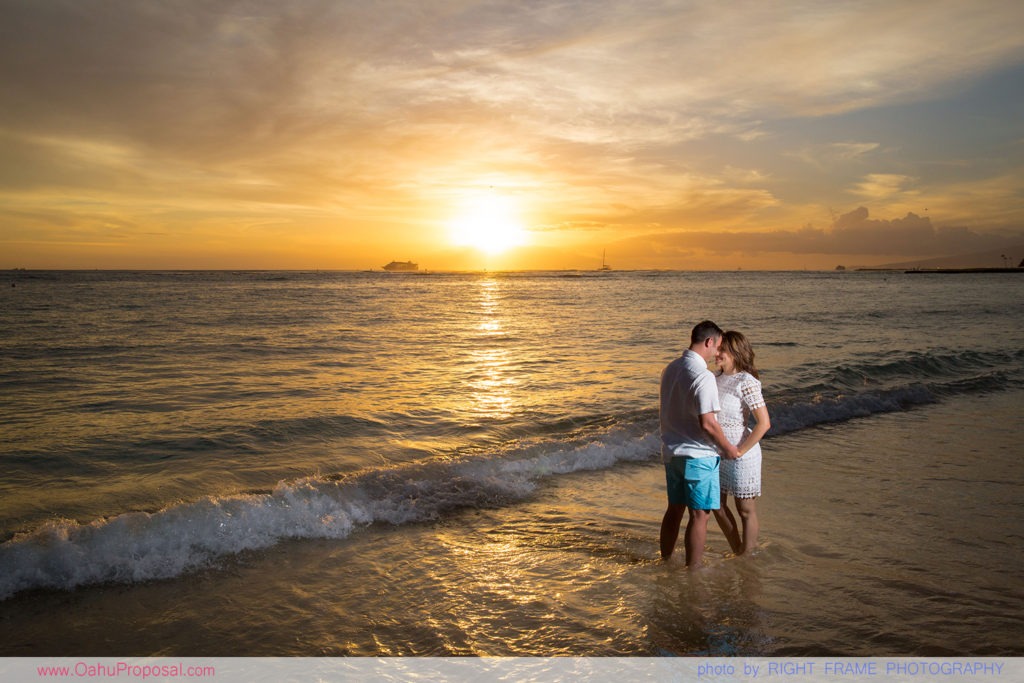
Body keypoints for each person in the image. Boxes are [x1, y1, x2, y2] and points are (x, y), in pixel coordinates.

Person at [659, 320, 740, 567]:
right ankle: (693, 573)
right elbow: (708, 423)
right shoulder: (703, 376)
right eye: (718, 347)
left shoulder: (670, 368)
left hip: (672, 452)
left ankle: (666, 561)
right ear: (709, 342)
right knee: (700, 515)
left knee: (674, 509)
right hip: (698, 455)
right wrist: (728, 448)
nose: (718, 353)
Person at [712, 330, 771, 556]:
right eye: (717, 349)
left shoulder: (746, 381)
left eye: (722, 350)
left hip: (741, 454)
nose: (717, 354)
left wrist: (740, 450)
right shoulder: (714, 379)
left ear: (735, 353)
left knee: (745, 510)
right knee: (716, 505)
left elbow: (764, 423)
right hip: (718, 452)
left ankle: (747, 556)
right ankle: (738, 550)